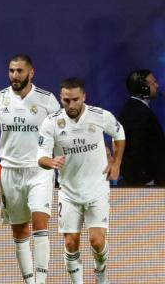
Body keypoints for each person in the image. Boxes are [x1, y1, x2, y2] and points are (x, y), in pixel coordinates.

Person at [0, 54, 60, 284]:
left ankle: (41, 282)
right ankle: (30, 281)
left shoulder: (47, 100)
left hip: (39, 171)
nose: (15, 75)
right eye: (11, 71)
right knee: (20, 230)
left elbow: (61, 135)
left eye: (20, 71)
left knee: (40, 222)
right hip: (10, 173)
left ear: (31, 72)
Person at [38, 77, 125, 284]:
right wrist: (50, 161)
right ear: (61, 98)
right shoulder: (51, 123)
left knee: (96, 241)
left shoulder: (100, 116)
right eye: (66, 100)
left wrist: (117, 164)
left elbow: (119, 133)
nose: (71, 105)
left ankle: (101, 272)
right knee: (70, 244)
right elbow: (40, 156)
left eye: (75, 99)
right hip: (69, 192)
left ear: (83, 97)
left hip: (97, 188)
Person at [118, 69, 165, 186]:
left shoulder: (135, 108)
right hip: (145, 183)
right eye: (153, 83)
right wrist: (148, 181)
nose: (157, 85)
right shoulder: (138, 113)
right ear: (142, 88)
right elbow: (137, 151)